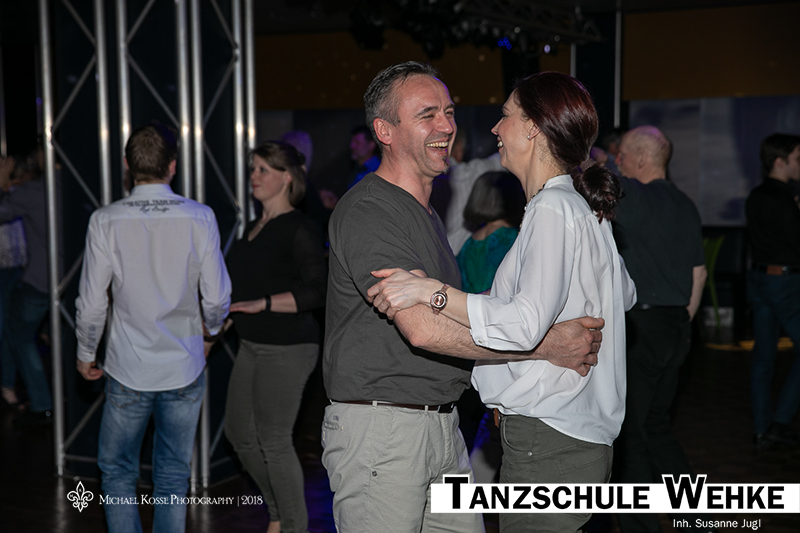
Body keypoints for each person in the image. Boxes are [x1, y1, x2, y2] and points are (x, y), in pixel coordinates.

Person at [367, 71, 636, 533]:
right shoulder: (581, 206)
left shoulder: (552, 208)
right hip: (578, 434)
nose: (495, 128)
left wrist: (431, 293)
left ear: (533, 128)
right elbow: (624, 293)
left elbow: (525, 324)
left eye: (506, 115)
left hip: (549, 434)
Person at [75, 124, 231, 533]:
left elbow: (92, 304)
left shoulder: (105, 220)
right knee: (173, 474)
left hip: (128, 368)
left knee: (117, 471)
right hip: (183, 366)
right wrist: (211, 333)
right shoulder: (200, 217)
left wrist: (86, 353)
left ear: (127, 165)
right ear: (173, 166)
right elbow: (217, 298)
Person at [223, 142, 327, 533]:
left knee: (274, 440)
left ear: (287, 178)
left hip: (289, 346)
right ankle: (278, 512)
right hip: (251, 344)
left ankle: (292, 524)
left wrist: (263, 303)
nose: (254, 175)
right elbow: (243, 291)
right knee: (239, 434)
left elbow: (318, 291)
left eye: (263, 169)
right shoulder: (253, 227)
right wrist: (220, 325)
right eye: (253, 168)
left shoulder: (299, 228)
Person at [611, 125, 708, 533]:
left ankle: (642, 527)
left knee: (631, 434)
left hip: (641, 327)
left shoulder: (630, 194)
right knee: (656, 426)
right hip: (677, 326)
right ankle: (696, 517)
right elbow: (699, 273)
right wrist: (682, 323)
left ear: (640, 159)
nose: (617, 163)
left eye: (621, 156)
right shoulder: (686, 203)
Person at [745, 132, 800, 450]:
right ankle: (779, 422)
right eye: (797, 159)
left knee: (763, 359)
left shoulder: (756, 196)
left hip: (759, 279)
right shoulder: (785, 199)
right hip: (784, 283)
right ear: (780, 161)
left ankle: (763, 429)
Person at [0, 145, 53, 423]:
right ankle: (11, 388)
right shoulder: (27, 194)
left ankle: (37, 400)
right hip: (17, 270)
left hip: (30, 274)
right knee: (13, 330)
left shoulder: (29, 193)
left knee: (18, 333)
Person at [345, 124, 380, 189]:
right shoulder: (356, 170)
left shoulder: (379, 171)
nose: (352, 146)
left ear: (371, 145)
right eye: (352, 142)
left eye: (357, 142)